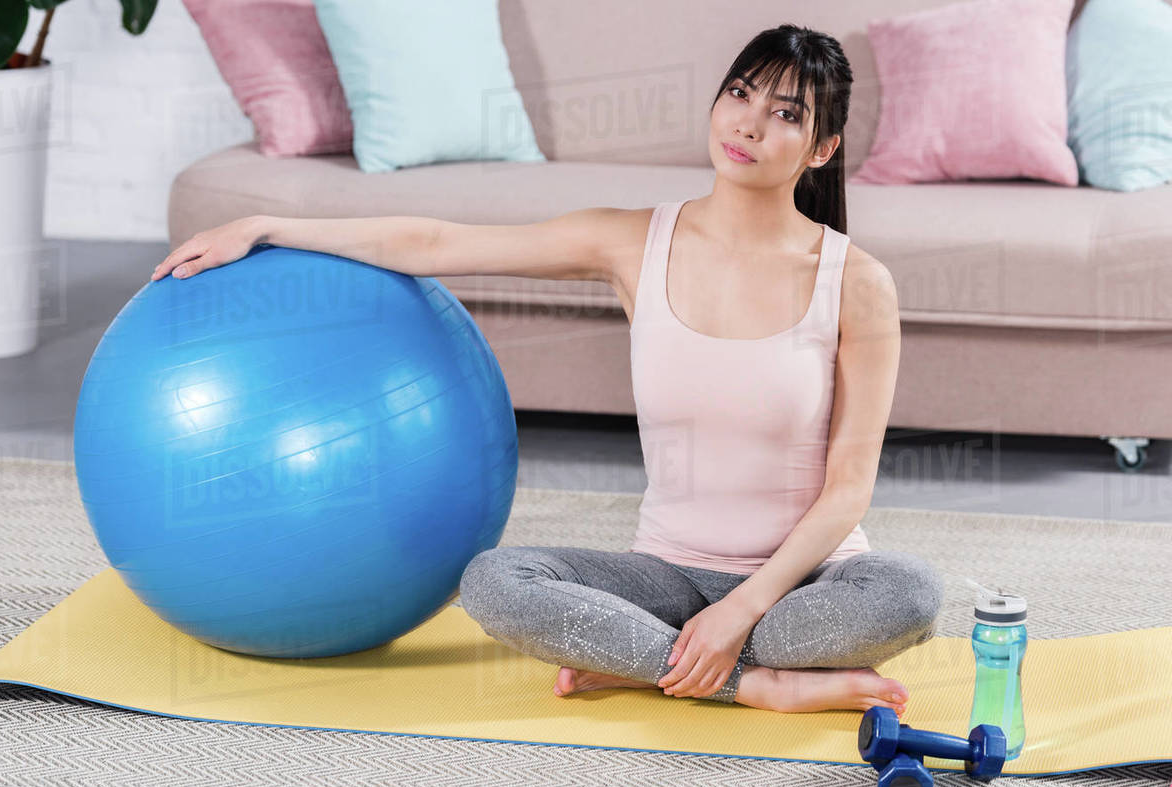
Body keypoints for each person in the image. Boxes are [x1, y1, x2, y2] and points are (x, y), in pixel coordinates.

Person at [154, 24, 944, 715]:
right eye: (741, 93)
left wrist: (742, 608)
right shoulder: (631, 241)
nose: (750, 123)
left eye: (786, 114)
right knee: (496, 581)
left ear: (821, 149)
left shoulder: (858, 282)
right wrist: (268, 226)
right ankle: (754, 684)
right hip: (663, 577)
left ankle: (645, 661)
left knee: (909, 593)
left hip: (799, 587)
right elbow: (437, 244)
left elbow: (848, 489)